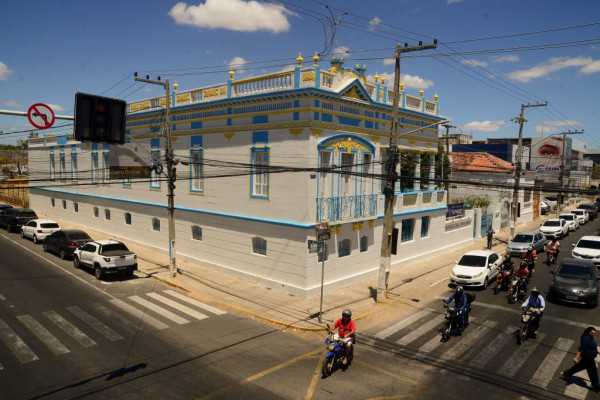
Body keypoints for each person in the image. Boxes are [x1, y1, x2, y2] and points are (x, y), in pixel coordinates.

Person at [561, 327, 600, 393]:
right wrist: (577, 357)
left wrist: (596, 350)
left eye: (594, 333)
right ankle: (596, 388)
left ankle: (566, 374)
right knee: (593, 372)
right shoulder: (586, 339)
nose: (593, 335)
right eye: (592, 333)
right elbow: (581, 349)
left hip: (588, 357)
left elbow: (590, 345)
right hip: (588, 358)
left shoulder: (590, 337)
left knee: (580, 366)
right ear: (588, 332)